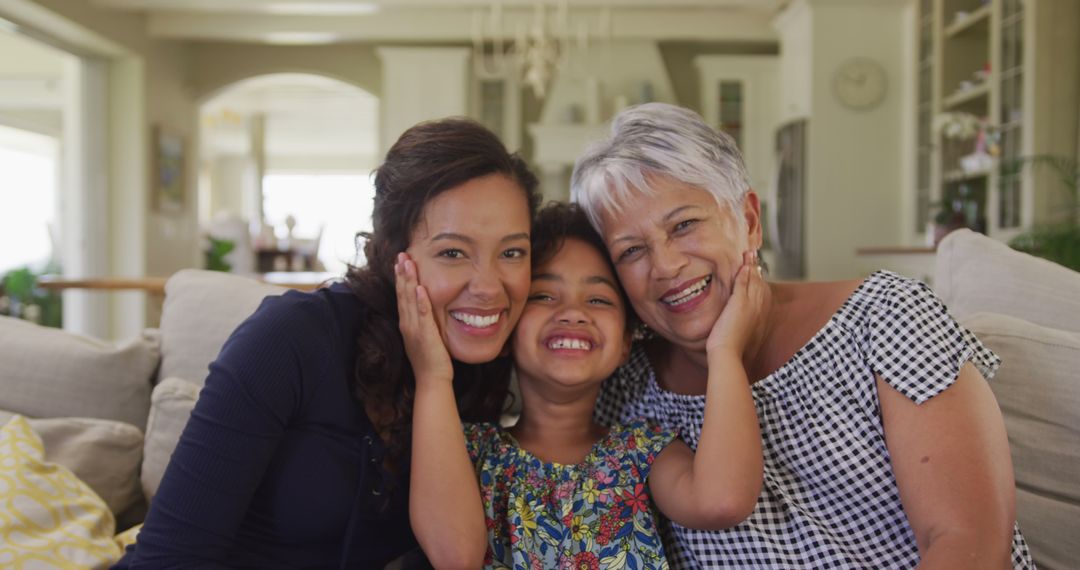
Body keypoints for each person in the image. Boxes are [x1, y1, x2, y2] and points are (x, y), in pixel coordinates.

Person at [570, 102, 1034, 569]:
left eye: (684, 225)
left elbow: (967, 543)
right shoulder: (622, 389)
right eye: (632, 251)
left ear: (749, 221)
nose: (666, 266)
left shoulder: (885, 318)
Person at [113, 118, 542, 569]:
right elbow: (168, 559)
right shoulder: (289, 340)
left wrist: (433, 378)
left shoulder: (484, 362)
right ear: (394, 254)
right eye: (452, 252)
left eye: (512, 252)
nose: (490, 288)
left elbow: (457, 558)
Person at [396, 202, 764, 569]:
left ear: (624, 342)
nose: (573, 312)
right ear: (506, 330)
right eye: (544, 296)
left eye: (598, 299)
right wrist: (432, 376)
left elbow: (721, 501)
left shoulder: (642, 451)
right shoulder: (468, 452)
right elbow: (453, 556)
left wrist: (725, 351)